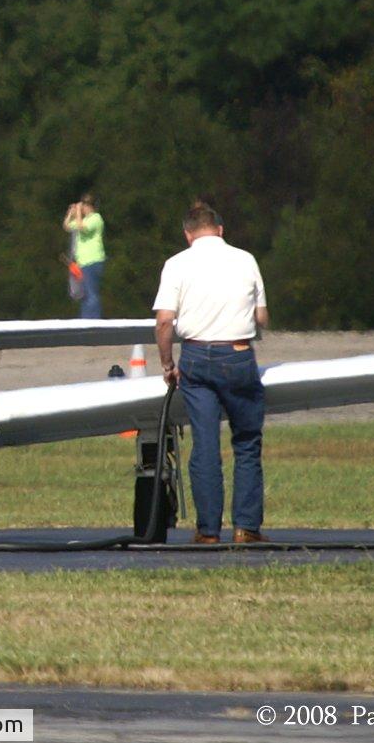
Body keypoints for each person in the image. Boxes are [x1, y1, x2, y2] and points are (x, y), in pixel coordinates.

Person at [152, 200, 269, 544]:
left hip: (196, 357)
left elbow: (163, 322)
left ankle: (207, 531)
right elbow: (261, 318)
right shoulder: (246, 259)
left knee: (205, 444)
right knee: (246, 442)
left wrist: (168, 365)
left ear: (188, 234)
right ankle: (246, 527)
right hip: (237, 354)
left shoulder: (176, 264)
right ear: (220, 230)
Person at [62, 193, 105, 318]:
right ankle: (85, 318)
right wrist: (71, 213)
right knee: (84, 293)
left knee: (91, 292)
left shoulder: (96, 218)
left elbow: (82, 228)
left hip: (93, 260)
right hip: (83, 262)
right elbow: (67, 226)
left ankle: (93, 319)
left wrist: (79, 214)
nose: (84, 208)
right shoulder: (84, 219)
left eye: (86, 205)